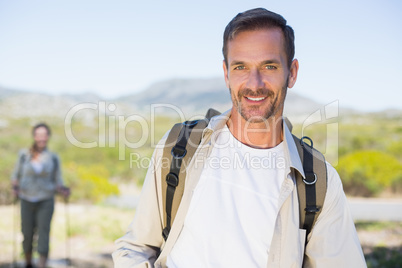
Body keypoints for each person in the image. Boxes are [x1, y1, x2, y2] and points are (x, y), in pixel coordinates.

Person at [113, 8, 366, 268]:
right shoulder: (179, 146)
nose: (254, 83)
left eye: (269, 66)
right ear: (226, 73)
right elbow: (136, 247)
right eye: (240, 67)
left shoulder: (319, 183)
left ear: (292, 72)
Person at [11, 123, 70, 268]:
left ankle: (41, 265)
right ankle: (28, 263)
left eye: (44, 135)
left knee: (44, 234)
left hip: (46, 200)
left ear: (48, 137)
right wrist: (15, 188)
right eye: (39, 135)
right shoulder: (24, 155)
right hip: (26, 199)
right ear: (34, 136)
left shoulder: (53, 158)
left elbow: (58, 180)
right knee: (27, 234)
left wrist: (63, 189)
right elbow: (15, 175)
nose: (41, 138)